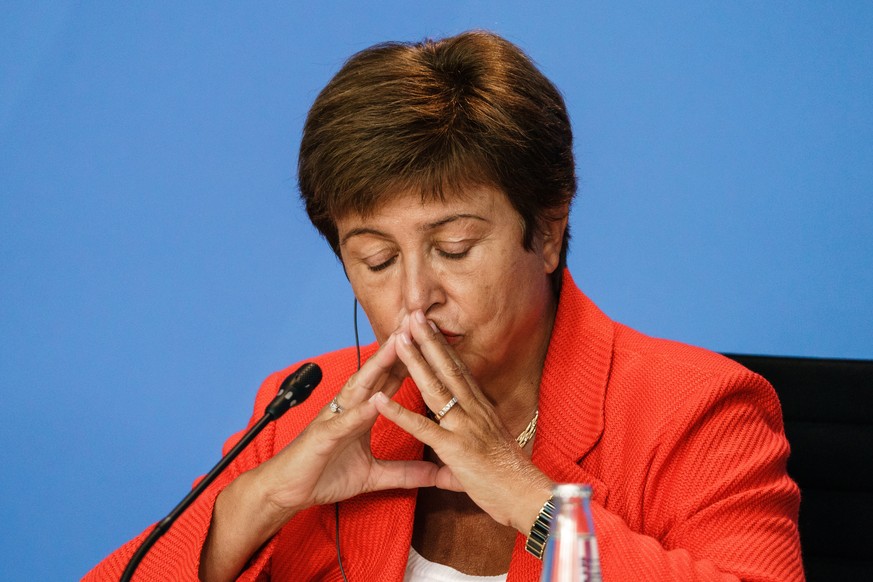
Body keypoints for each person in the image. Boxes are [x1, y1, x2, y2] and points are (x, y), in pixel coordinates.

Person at [85, 31, 803, 581]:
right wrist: (256, 505)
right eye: (376, 259)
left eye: (454, 248)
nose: (414, 297)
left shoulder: (693, 409)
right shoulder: (305, 406)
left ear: (546, 232)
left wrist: (534, 504)